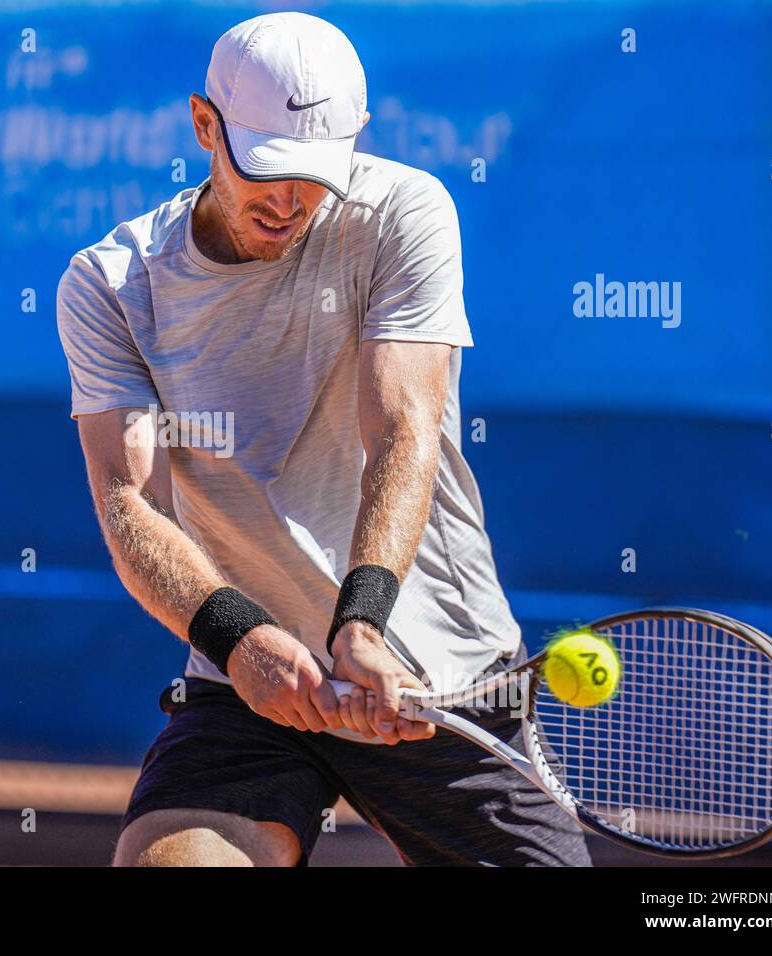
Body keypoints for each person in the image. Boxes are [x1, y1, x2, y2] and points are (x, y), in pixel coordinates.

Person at [56, 11, 591, 867]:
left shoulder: (404, 212)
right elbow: (131, 504)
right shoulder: (111, 285)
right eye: (264, 168)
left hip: (432, 673)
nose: (288, 199)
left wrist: (362, 626)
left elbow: (402, 427)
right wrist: (241, 640)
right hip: (248, 676)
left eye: (313, 173)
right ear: (204, 126)